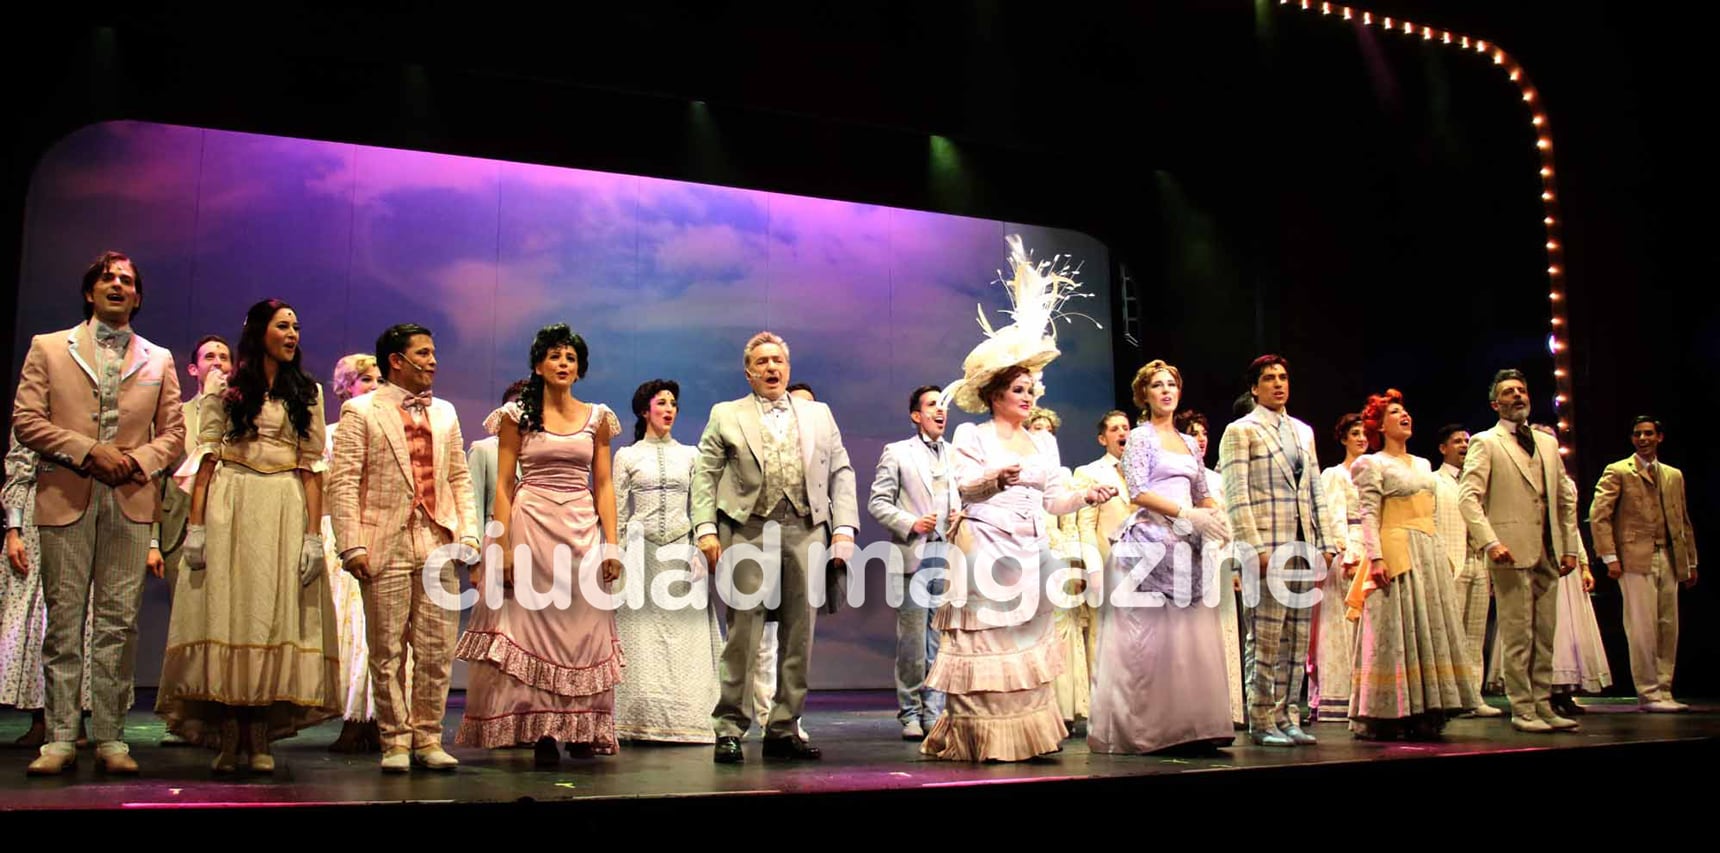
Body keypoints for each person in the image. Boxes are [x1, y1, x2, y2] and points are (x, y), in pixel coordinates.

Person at [919, 234, 1114, 762]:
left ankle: (1025, 737)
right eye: (1018, 390)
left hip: (1029, 551)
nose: (1028, 397)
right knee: (985, 643)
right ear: (994, 395)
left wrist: (1086, 495)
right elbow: (961, 488)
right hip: (985, 548)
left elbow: (1053, 500)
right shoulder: (972, 437)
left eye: (1032, 389)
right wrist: (994, 482)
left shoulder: (1044, 440)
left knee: (1024, 644)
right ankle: (982, 737)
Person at [14, 250, 185, 777]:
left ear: (137, 296)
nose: (117, 286)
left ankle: (111, 736)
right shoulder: (49, 347)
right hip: (67, 495)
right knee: (64, 623)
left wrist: (134, 460)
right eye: (108, 278)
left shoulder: (158, 358)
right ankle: (61, 737)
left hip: (130, 500)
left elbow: (176, 436)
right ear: (91, 291)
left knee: (118, 624)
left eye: (127, 281)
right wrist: (88, 451)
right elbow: (27, 421)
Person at [157, 298, 339, 772]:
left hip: (282, 502)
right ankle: (228, 732)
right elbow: (208, 457)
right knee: (231, 613)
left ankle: (259, 734)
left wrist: (312, 536)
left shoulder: (308, 392)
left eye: (297, 326)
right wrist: (195, 527)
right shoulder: (227, 386)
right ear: (261, 332)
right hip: (232, 501)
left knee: (271, 615)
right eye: (283, 325)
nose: (293, 333)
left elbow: (312, 467)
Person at [456, 324, 625, 766]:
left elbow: (604, 484)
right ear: (538, 365)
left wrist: (612, 544)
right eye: (555, 356)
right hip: (531, 525)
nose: (563, 363)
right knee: (532, 630)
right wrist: (503, 546)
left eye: (570, 357)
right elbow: (504, 485)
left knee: (582, 631)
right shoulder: (517, 416)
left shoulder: (597, 418)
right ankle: (542, 730)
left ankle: (583, 727)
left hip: (581, 529)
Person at [696, 332, 857, 763]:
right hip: (747, 527)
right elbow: (705, 474)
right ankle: (730, 727)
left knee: (799, 633)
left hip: (805, 528)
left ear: (787, 367)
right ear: (749, 372)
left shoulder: (818, 413)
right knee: (743, 632)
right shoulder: (727, 414)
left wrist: (844, 529)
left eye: (778, 361)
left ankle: (784, 728)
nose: (772, 368)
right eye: (762, 362)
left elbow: (841, 471)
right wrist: (705, 529)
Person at [327, 324, 479, 772]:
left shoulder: (445, 413)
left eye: (433, 353)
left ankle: (428, 737)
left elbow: (458, 479)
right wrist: (351, 544)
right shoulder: (362, 410)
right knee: (387, 648)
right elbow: (345, 481)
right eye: (424, 353)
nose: (433, 361)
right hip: (384, 541)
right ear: (397, 360)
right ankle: (394, 739)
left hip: (436, 539)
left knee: (435, 648)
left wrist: (467, 534)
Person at [1088, 359, 1234, 755]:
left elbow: (1202, 489)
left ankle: (1191, 725)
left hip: (1188, 546)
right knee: (1150, 643)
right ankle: (1150, 730)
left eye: (1171, 384)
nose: (1166, 391)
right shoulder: (1140, 437)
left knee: (1189, 643)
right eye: (1157, 385)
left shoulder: (1188, 442)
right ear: (1145, 394)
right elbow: (1137, 491)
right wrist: (1185, 513)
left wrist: (1210, 512)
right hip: (1151, 541)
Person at [1341, 390, 1479, 740]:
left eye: (1405, 411)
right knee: (1396, 629)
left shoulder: (1422, 464)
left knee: (1427, 628)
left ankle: (1428, 707)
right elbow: (1369, 514)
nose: (1405, 416)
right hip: (1395, 548)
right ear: (1380, 425)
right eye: (1395, 412)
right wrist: (1375, 557)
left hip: (1426, 549)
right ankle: (1390, 712)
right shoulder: (1372, 463)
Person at [1216, 354, 1338, 747]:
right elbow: (1236, 495)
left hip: (1303, 543)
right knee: (1266, 636)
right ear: (1254, 388)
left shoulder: (1303, 431)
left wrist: (1329, 541)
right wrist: (1254, 548)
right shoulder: (1241, 430)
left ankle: (1289, 715)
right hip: (1268, 546)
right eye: (1269, 379)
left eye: (1283, 377)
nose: (1278, 384)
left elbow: (1315, 486)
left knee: (1298, 638)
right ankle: (1262, 718)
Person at [1457, 369, 1582, 733]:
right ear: (1496, 403)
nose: (1518, 396)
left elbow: (1564, 499)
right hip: (1510, 550)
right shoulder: (1486, 441)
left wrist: (1569, 547)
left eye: (1522, 390)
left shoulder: (1545, 442)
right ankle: (1523, 708)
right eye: (1509, 392)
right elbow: (1469, 498)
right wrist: (1491, 542)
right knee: (1517, 633)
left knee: (1545, 632)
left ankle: (1543, 703)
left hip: (1548, 548)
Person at [611, 379, 724, 744]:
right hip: (639, 554)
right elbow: (615, 511)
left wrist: (699, 545)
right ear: (645, 410)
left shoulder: (691, 454)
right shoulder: (627, 456)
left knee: (684, 638)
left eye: (673, 403)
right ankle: (637, 720)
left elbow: (702, 505)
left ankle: (689, 719)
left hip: (680, 551)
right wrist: (614, 554)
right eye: (662, 403)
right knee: (640, 638)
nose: (670, 409)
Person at [1589, 415, 1698, 712]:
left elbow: (1682, 520)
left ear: (1659, 437)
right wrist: (1609, 556)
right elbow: (1600, 515)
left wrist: (1690, 562)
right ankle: (1648, 692)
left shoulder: (1673, 475)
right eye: (1638, 434)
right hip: (1635, 558)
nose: (1643, 439)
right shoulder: (1619, 471)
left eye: (1649, 433)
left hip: (1669, 556)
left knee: (1667, 625)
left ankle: (1664, 689)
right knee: (1642, 627)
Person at [868, 384, 957, 740]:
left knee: (940, 640)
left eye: (943, 405)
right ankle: (910, 711)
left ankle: (934, 711)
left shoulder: (956, 454)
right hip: (914, 554)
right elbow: (878, 502)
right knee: (912, 641)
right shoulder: (898, 452)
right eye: (932, 404)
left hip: (948, 554)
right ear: (916, 415)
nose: (940, 410)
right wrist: (910, 523)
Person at [322, 352, 386, 754]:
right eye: (366, 380)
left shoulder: (387, 429)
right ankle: (351, 713)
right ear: (346, 386)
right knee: (348, 631)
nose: (374, 386)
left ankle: (373, 718)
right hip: (340, 536)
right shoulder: (329, 434)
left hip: (377, 533)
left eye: (379, 380)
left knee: (373, 629)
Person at [1528, 424, 1611, 715]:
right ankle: (1544, 692)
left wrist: (1583, 563)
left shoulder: (1566, 483)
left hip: (1567, 560)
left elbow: (1571, 526)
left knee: (1571, 626)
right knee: (1549, 625)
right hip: (1539, 558)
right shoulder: (1529, 479)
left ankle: (1565, 691)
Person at [1177, 408, 1244, 728]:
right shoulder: (1180, 478)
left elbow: (1229, 524)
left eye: (1204, 433)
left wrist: (1232, 566)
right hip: (1187, 559)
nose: (1201, 439)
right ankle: (1196, 711)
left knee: (1225, 633)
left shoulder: (1218, 480)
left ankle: (1230, 710)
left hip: (1217, 560)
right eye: (1193, 433)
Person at [1431, 423, 1502, 716]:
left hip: (1478, 562)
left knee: (1475, 634)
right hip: (1452, 562)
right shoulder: (1434, 481)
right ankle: (1451, 697)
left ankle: (1474, 697)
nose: (1464, 445)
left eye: (1467, 441)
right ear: (1443, 448)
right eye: (1457, 441)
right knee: (1452, 634)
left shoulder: (1479, 484)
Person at [1310, 413, 1366, 723]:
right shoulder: (1336, 474)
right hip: (1350, 552)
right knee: (1343, 626)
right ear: (1343, 438)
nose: (1360, 438)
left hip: (1372, 548)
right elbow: (1332, 515)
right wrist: (1345, 550)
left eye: (1364, 433)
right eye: (1354, 433)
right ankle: (1339, 696)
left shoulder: (1371, 469)